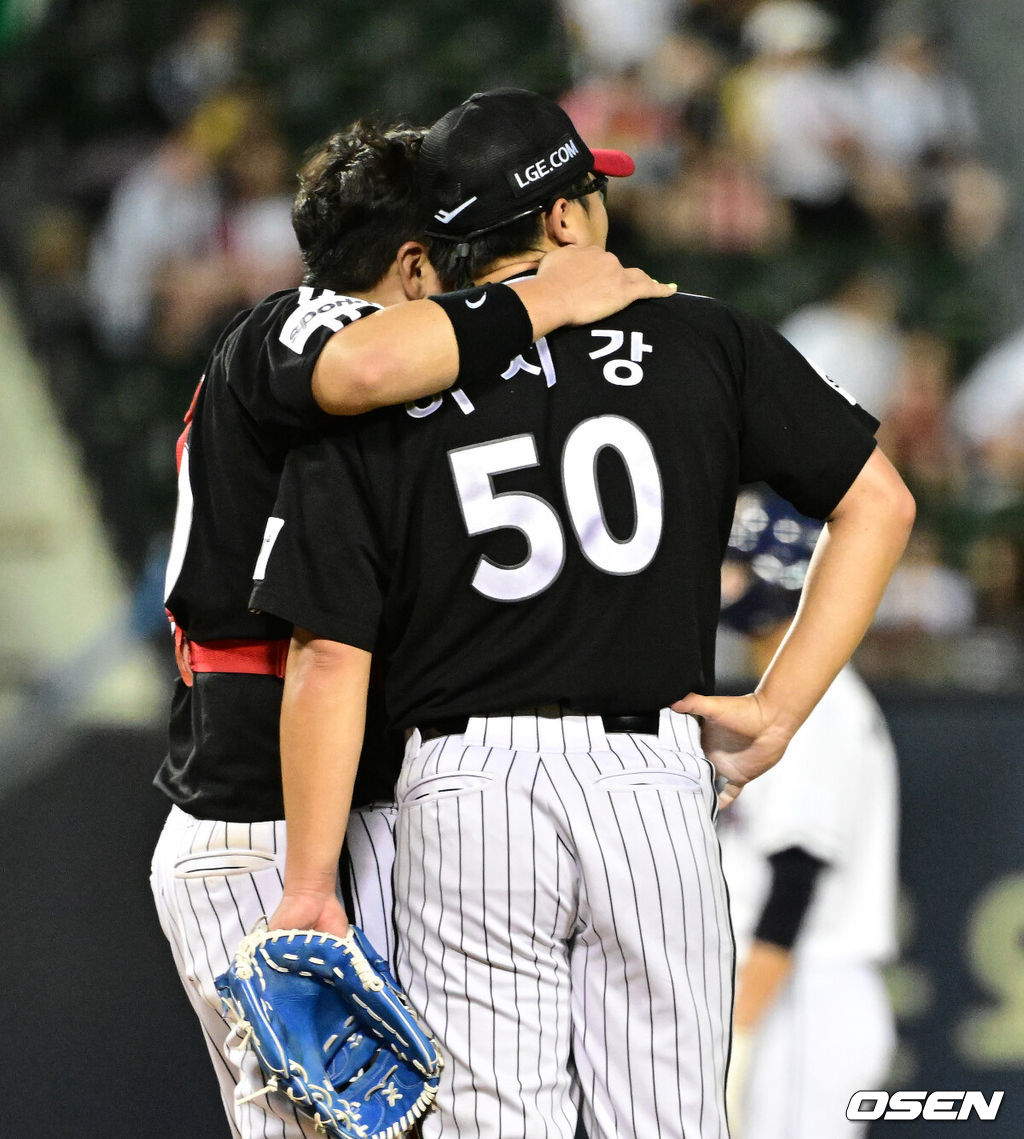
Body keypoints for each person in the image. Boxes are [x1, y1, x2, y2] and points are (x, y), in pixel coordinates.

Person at [250, 88, 915, 1139]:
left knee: (494, 1124)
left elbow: (329, 651)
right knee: (667, 1120)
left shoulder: (382, 379)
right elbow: (878, 500)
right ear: (562, 215)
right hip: (643, 772)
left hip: (466, 790)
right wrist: (780, 704)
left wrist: (309, 881)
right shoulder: (700, 336)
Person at [148, 118, 671, 1139]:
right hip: (251, 804)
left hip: (358, 801)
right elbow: (354, 369)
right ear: (414, 261)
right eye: (458, 245)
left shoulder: (437, 382)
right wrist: (547, 293)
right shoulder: (287, 329)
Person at [716, 486, 900, 1138]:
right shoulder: (796, 693)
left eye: (736, 561)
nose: (724, 578)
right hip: (798, 996)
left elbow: (795, 882)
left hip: (805, 997)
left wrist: (737, 1034)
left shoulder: (818, 706)